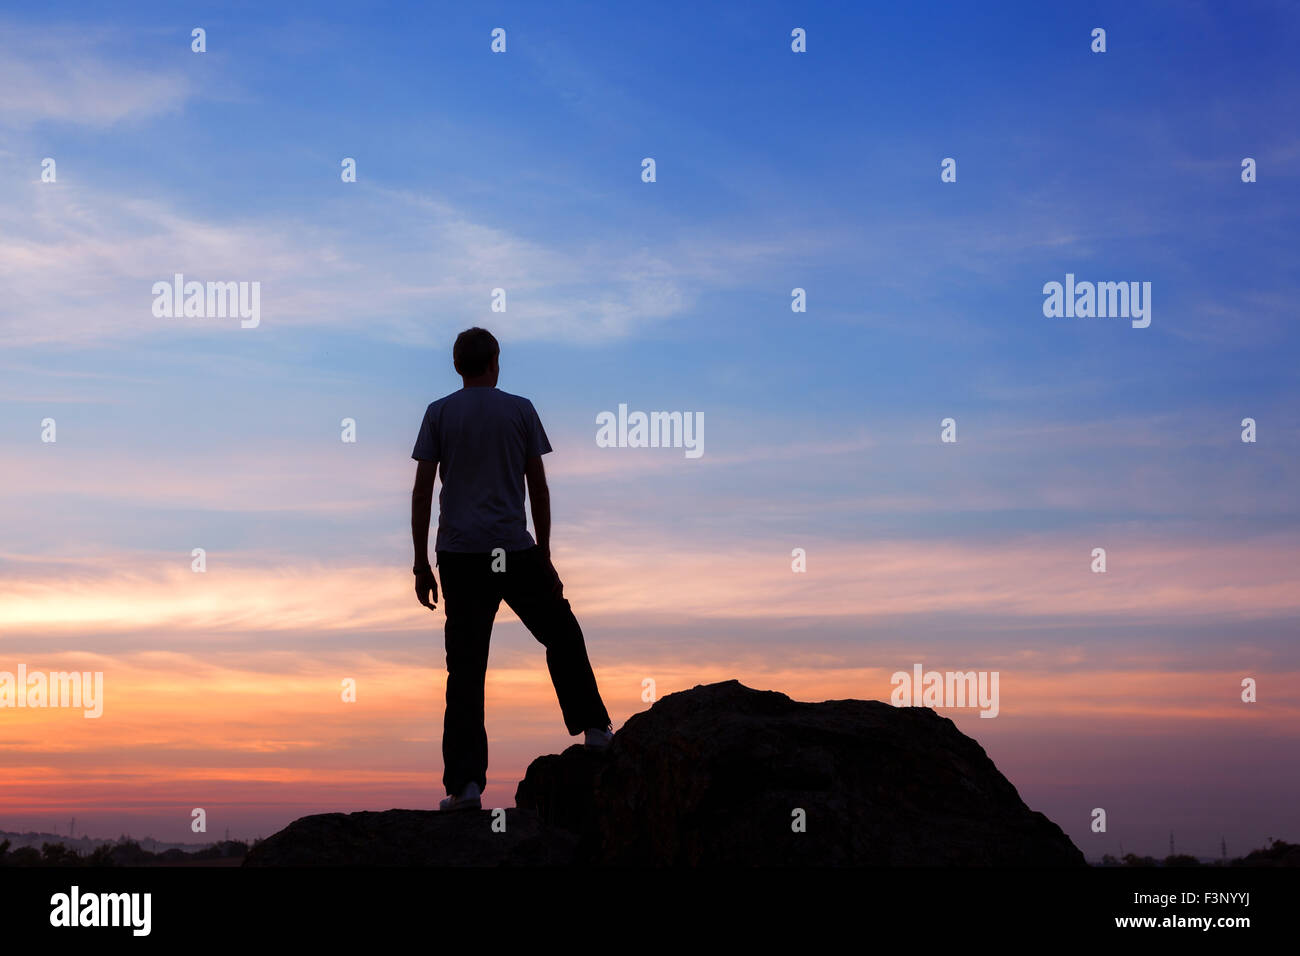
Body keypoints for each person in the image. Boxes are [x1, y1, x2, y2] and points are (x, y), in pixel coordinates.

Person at [410, 327, 614, 812]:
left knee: (465, 669)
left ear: (457, 365)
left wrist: (420, 560)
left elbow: (421, 493)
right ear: (495, 361)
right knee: (560, 632)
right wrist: (544, 552)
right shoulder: (520, 409)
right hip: (513, 550)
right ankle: (596, 729)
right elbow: (539, 489)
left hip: (459, 555)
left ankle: (466, 787)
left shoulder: (439, 413)